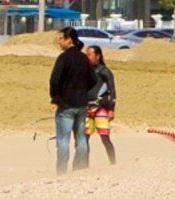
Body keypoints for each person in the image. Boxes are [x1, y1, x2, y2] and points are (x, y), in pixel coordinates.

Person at [45, 29, 98, 174]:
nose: (59, 41)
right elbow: (93, 79)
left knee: (63, 140)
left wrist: (55, 98)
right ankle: (79, 170)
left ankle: (62, 172)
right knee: (81, 140)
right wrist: (82, 90)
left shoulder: (63, 58)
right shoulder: (83, 58)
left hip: (66, 105)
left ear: (69, 40)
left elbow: (54, 80)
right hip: (81, 104)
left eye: (61, 38)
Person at [88, 43, 122, 166]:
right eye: (86, 54)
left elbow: (112, 91)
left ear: (98, 56)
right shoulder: (85, 71)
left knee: (105, 138)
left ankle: (113, 163)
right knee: (84, 138)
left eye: (90, 54)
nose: (87, 56)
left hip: (101, 108)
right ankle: (83, 166)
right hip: (86, 108)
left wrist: (111, 110)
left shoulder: (105, 72)